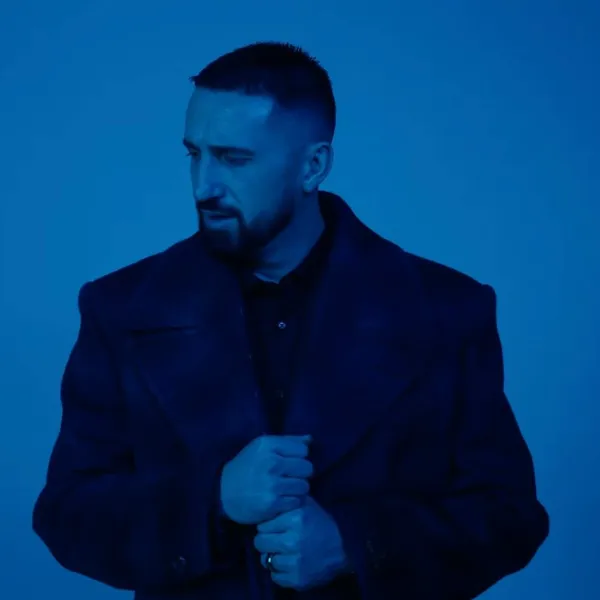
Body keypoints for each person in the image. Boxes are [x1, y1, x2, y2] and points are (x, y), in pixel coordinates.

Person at [32, 41, 549, 600]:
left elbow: (509, 516)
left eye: (234, 159)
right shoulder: (122, 308)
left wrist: (356, 545)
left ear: (313, 166)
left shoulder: (446, 309)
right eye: (194, 154)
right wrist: (214, 501)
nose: (203, 185)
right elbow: (67, 514)